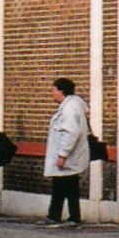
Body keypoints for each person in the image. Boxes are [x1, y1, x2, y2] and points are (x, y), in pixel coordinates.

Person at [40, 77, 89, 227]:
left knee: (64, 186)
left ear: (61, 91)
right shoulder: (71, 106)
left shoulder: (70, 108)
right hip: (70, 156)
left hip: (69, 156)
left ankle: (65, 217)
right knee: (65, 186)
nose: (52, 93)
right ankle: (62, 216)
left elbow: (71, 133)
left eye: (54, 90)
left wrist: (63, 154)